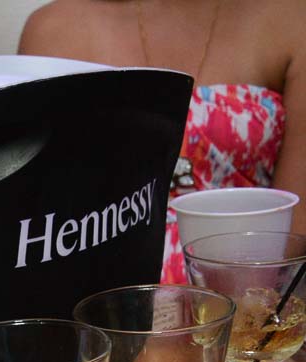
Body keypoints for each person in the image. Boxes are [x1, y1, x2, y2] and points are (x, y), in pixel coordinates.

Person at [18, 0, 306, 282]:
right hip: (103, 303)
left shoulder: (289, 18)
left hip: (251, 297)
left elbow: (296, 229)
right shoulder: (54, 30)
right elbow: (41, 235)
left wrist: (241, 308)